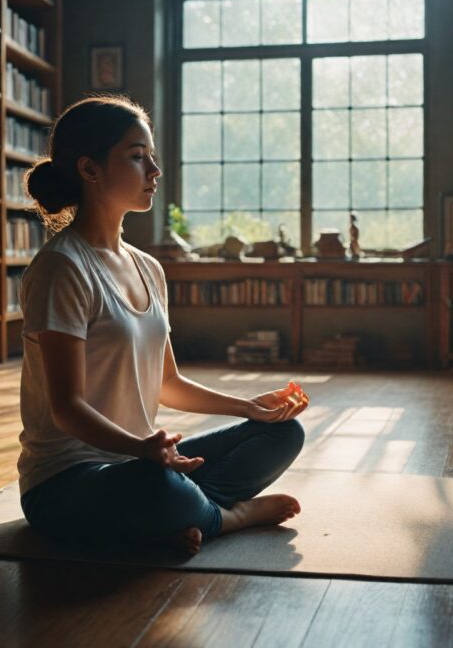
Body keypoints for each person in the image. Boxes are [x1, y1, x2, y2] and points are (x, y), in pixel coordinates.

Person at [18, 95, 307, 557]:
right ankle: (227, 516)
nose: (154, 170)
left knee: (283, 433)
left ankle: (180, 518)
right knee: (158, 489)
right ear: (90, 170)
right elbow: (66, 409)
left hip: (143, 463)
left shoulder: (148, 267)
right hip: (68, 483)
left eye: (151, 157)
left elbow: (167, 383)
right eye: (137, 157)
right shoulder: (61, 268)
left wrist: (249, 407)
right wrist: (143, 450)